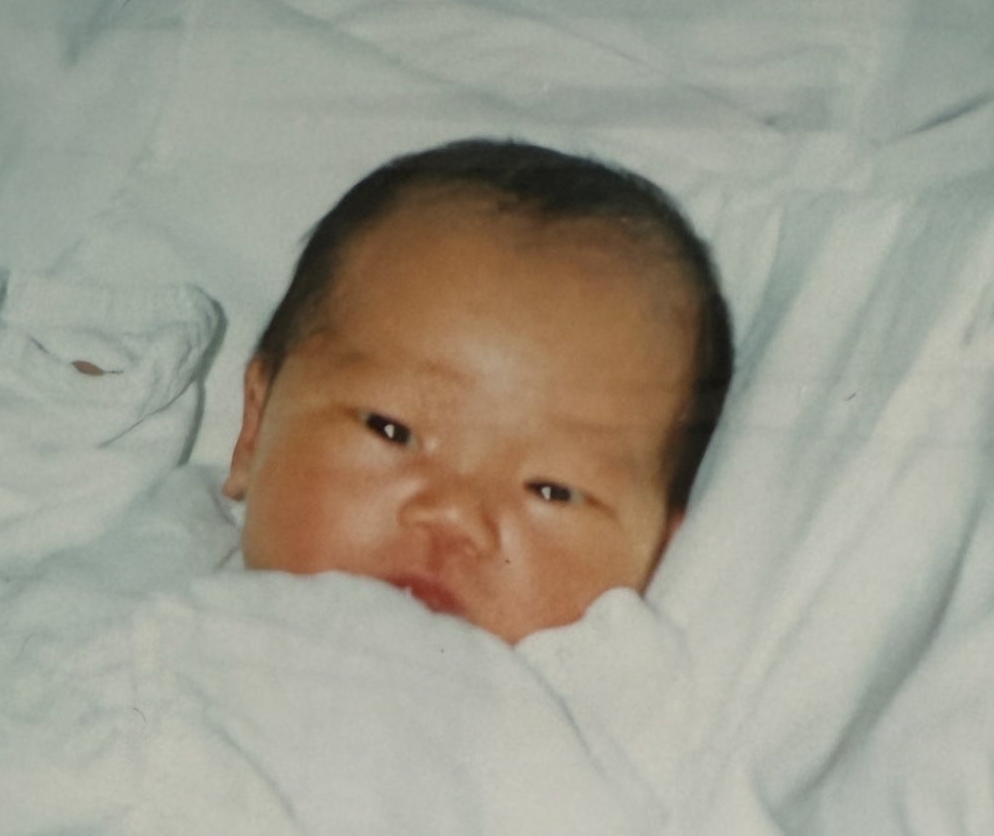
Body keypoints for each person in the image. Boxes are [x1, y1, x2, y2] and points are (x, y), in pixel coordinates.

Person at [224, 137, 734, 644]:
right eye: (391, 430)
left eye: (552, 491)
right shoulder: (178, 583)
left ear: (663, 557)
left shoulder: (626, 685)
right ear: (256, 425)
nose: (455, 516)